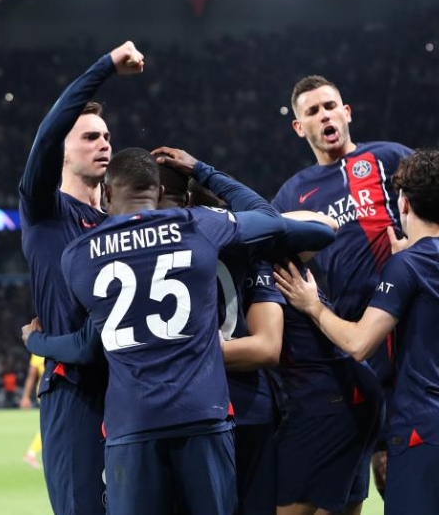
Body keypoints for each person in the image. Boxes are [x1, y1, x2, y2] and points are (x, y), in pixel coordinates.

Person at [273, 74, 439, 510]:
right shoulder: (293, 193)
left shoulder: (385, 157)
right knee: (384, 468)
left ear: (347, 112)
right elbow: (273, 244)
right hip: (362, 346)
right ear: (299, 127)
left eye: (330, 106)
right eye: (313, 112)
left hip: (418, 325)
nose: (325, 116)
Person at [59, 147, 334, 515]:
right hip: (206, 411)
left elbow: (87, 343)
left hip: (132, 422)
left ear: (107, 193)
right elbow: (292, 224)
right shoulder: (200, 225)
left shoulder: (78, 254)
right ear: (160, 193)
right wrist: (204, 170)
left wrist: (36, 340)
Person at [274, 149, 439, 515]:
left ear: (404, 203)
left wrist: (313, 306)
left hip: (427, 431)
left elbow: (359, 344)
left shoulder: (407, 265)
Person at [18, 39, 144, 515]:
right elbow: (47, 132)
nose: (104, 143)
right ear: (62, 152)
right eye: (89, 137)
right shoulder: (45, 210)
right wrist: (107, 65)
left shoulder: (119, 224)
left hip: (130, 389)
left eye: (106, 136)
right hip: (74, 392)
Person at [20, 352, 45, 469]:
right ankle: (31, 453)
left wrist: (26, 396)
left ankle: (31, 453)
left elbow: (31, 375)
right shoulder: (39, 352)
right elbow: (31, 375)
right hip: (46, 391)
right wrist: (25, 397)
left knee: (53, 423)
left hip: (47, 390)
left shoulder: (39, 351)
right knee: (52, 423)